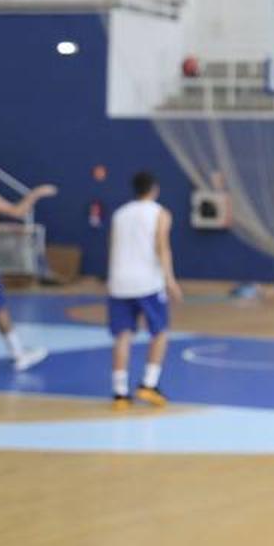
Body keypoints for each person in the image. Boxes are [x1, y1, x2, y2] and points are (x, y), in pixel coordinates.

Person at [0, 150, 57, 371]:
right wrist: (37, 193)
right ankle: (19, 354)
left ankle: (18, 352)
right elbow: (18, 210)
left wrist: (13, 229)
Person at [107, 170, 182, 410]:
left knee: (123, 336)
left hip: (119, 281)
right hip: (147, 282)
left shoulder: (119, 214)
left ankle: (120, 393)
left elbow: (112, 246)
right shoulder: (159, 213)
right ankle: (148, 384)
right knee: (160, 333)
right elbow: (162, 245)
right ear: (154, 189)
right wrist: (170, 279)